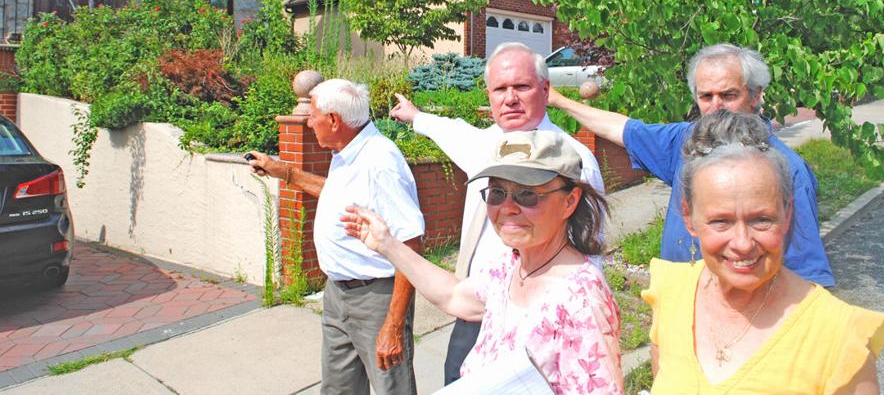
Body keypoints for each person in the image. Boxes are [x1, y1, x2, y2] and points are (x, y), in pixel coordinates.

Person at [342, 130, 623, 394]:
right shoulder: (511, 266)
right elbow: (454, 296)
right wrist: (387, 244)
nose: (508, 207)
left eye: (527, 194)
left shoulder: (581, 299)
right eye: (497, 193)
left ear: (569, 202)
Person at [390, 41, 605, 384]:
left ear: (545, 89)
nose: (510, 98)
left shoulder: (572, 159)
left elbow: (591, 250)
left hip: (539, 322)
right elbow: (451, 131)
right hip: (475, 310)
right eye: (500, 89)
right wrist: (416, 117)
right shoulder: (486, 144)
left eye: (521, 86)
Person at [548, 43, 835, 286]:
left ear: (756, 95)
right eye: (706, 96)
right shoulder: (686, 142)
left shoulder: (787, 169)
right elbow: (622, 129)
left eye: (729, 95)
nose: (716, 106)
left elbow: (808, 277)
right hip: (682, 313)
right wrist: (557, 100)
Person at [644, 110, 884, 393]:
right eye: (721, 221)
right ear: (689, 218)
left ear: (787, 212)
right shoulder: (671, 291)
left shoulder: (838, 336)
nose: (743, 242)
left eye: (761, 220)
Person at [246, 79, 423, 395]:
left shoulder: (380, 161)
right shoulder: (348, 150)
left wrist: (393, 326)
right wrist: (283, 171)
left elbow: (412, 244)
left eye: (313, 114)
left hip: (376, 300)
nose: (308, 120)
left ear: (334, 120)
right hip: (338, 294)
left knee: (391, 390)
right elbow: (337, 196)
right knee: (338, 390)